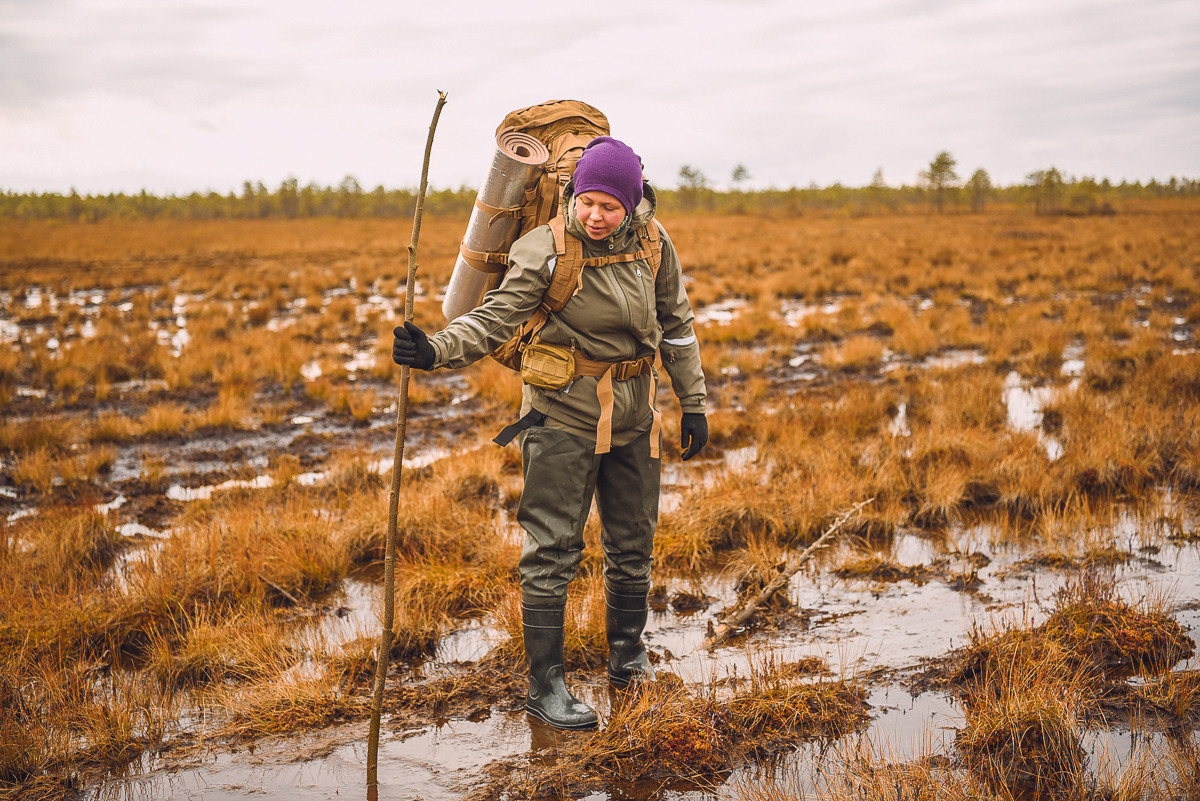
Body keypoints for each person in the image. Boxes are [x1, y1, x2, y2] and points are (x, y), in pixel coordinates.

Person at [392, 135, 708, 730]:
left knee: (633, 542)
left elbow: (678, 324)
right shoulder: (546, 248)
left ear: (633, 203)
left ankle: (627, 656)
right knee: (552, 550)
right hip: (560, 417)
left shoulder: (653, 243)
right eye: (587, 201)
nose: (595, 215)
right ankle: (547, 686)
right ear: (573, 194)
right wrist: (435, 350)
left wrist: (694, 402)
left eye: (609, 206)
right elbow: (494, 318)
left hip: (636, 419)